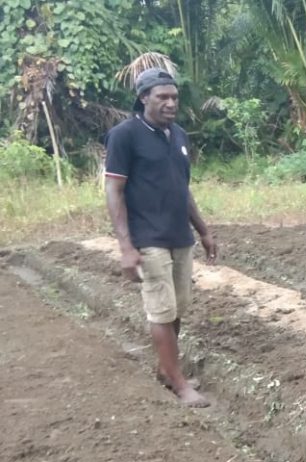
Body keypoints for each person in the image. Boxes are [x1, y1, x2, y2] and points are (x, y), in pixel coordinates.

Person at [103, 68, 216, 408]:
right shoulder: (125, 135)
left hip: (179, 236)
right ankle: (179, 384)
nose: (170, 103)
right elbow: (114, 189)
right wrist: (125, 245)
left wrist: (204, 230)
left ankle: (167, 371)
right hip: (147, 237)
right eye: (162, 97)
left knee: (177, 307)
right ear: (143, 98)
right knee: (161, 311)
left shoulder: (178, 135)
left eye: (174, 97)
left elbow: (183, 190)